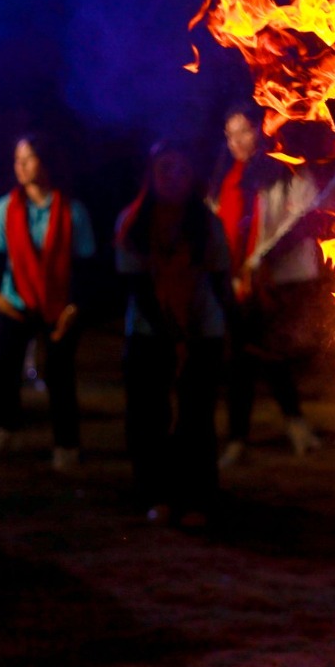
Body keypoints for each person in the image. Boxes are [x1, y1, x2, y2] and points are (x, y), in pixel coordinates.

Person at [118, 139, 231, 528]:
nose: (175, 177)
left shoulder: (207, 223)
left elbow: (219, 281)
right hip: (149, 331)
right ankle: (155, 494)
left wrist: (217, 332)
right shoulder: (132, 222)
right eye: (166, 168)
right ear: (150, 175)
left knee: (196, 417)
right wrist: (171, 334)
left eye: (183, 169)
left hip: (202, 330)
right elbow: (137, 287)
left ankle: (196, 498)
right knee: (148, 415)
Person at [211, 106, 328, 468]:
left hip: (278, 280)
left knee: (262, 354)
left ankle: (258, 434)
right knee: (245, 357)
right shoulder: (227, 177)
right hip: (236, 282)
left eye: (243, 132)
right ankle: (276, 430)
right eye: (230, 135)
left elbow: (302, 219)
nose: (236, 142)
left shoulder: (284, 170)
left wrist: (262, 259)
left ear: (260, 131)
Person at [0, 134, 96, 471]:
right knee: (5, 369)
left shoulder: (72, 210)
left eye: (28, 158)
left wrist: (74, 307)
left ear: (46, 161)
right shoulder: (5, 208)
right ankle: (7, 428)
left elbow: (85, 265)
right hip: (16, 302)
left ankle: (66, 443)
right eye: (17, 159)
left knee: (60, 375)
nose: (19, 165)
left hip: (58, 306)